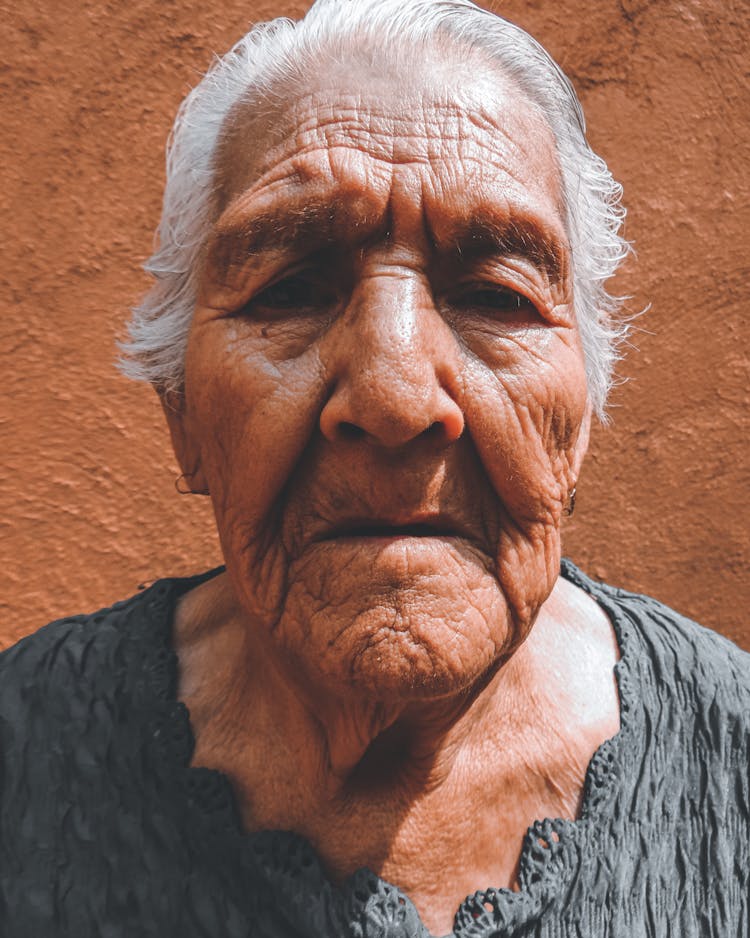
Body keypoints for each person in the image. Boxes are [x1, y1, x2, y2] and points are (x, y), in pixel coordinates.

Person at [0, 0, 747, 935]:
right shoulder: (24, 749)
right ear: (181, 413)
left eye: (495, 296)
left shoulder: (735, 761)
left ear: (580, 416)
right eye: (294, 289)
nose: (395, 401)